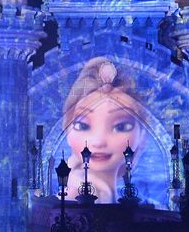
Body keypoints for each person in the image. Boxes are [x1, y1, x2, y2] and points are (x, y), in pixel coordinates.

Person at [60, 57, 149, 204]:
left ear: (142, 134)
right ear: (67, 130)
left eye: (121, 126)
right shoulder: (73, 191)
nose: (98, 141)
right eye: (83, 125)